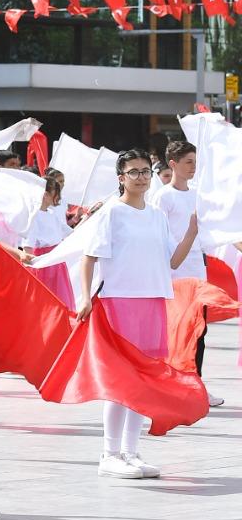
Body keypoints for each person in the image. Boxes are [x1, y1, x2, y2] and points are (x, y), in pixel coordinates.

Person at [79, 150, 199, 481]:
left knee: (144, 380)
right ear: (121, 178)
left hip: (153, 300)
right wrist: (85, 298)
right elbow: (89, 258)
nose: (142, 177)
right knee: (122, 379)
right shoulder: (112, 213)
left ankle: (131, 452)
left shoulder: (157, 215)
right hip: (120, 301)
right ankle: (110, 452)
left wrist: (192, 231)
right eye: (134, 172)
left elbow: (172, 262)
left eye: (146, 171)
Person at [147, 140, 221, 406]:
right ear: (173, 164)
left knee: (198, 332)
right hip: (172, 274)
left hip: (197, 272)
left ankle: (196, 385)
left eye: (195, 162)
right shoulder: (163, 197)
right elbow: (157, 236)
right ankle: (167, 386)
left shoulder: (198, 194)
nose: (193, 167)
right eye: (188, 162)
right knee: (173, 334)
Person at [23, 174, 74, 307]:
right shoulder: (34, 216)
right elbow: (28, 245)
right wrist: (30, 269)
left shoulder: (52, 214)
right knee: (45, 300)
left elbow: (70, 233)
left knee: (59, 298)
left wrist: (87, 220)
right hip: (42, 262)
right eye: (54, 193)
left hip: (56, 260)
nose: (57, 197)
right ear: (45, 194)